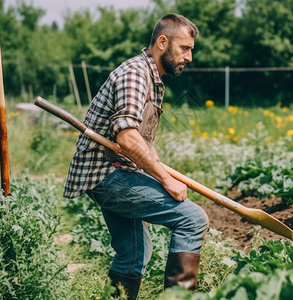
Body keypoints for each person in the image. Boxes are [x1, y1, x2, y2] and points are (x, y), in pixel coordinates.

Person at [64, 13, 209, 300]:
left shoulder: (152, 78)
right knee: (193, 220)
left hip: (115, 172)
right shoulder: (135, 74)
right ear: (162, 42)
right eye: (184, 48)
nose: (189, 57)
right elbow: (127, 137)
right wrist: (165, 180)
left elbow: (144, 140)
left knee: (133, 254)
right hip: (106, 174)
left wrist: (162, 171)